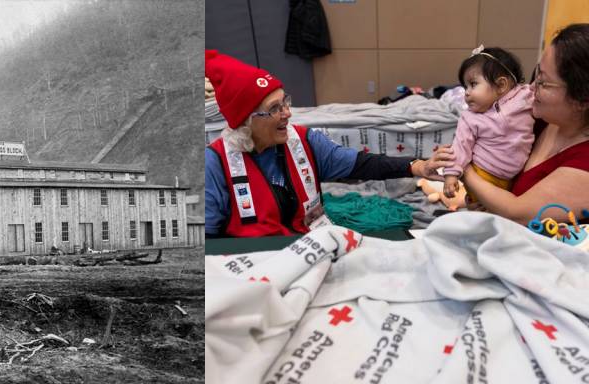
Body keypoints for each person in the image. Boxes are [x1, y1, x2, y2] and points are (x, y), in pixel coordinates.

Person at [204, 50, 453, 238]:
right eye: (274, 109)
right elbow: (210, 239)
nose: (287, 113)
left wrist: (417, 166)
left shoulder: (304, 141)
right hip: (254, 259)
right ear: (246, 121)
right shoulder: (215, 163)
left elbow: (360, 164)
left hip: (309, 242)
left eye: (285, 102)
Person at [462, 24, 589, 225]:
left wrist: (464, 169)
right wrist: (482, 199)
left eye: (544, 83)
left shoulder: (584, 163)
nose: (531, 87)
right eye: (536, 74)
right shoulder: (537, 118)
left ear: (582, 100)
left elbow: (518, 213)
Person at [443, 46, 535, 201]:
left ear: (501, 85)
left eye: (473, 84)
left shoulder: (525, 98)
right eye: (465, 86)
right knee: (480, 213)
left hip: (513, 179)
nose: (466, 92)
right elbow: (460, 145)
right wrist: (451, 174)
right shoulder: (470, 118)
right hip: (483, 174)